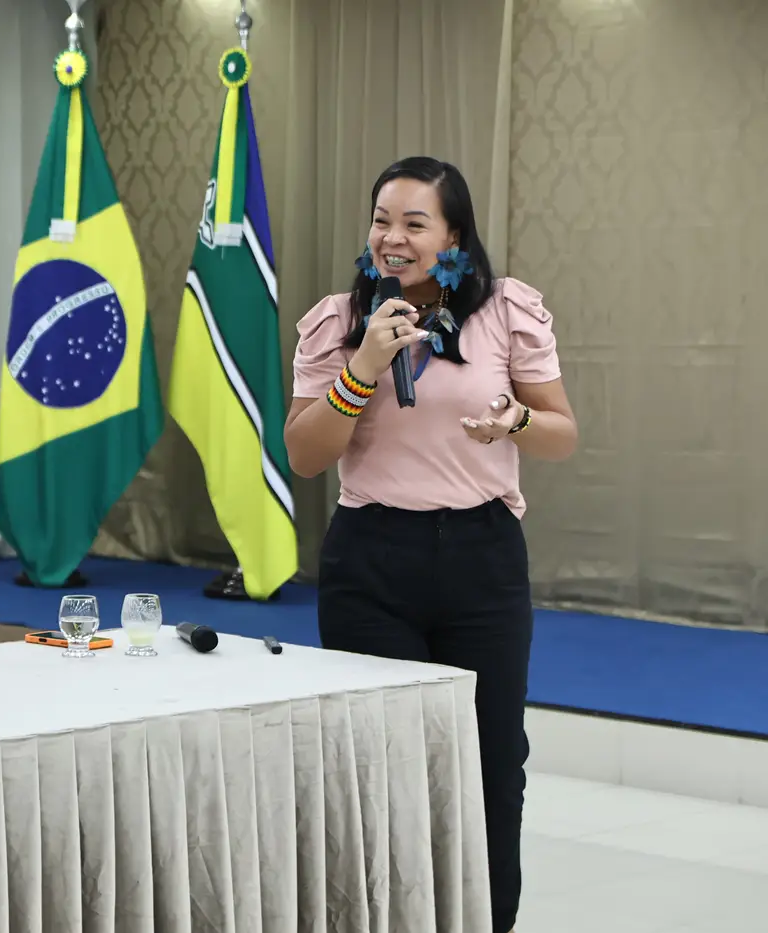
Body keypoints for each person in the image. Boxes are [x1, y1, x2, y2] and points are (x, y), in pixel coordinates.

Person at [285, 157, 578, 933]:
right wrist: (363, 366)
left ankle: (487, 920)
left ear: (454, 235)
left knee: (492, 760)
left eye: (415, 223)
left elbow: (561, 434)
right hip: (371, 561)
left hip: (482, 558)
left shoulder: (504, 311)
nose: (393, 237)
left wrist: (514, 420)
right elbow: (306, 454)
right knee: (380, 765)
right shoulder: (339, 321)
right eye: (382, 220)